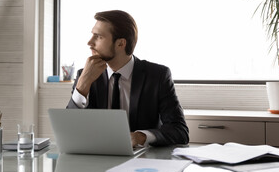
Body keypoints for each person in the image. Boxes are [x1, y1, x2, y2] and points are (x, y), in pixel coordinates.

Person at [66, 10, 189, 147]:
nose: (90, 42)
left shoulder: (158, 76)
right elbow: (68, 132)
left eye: (98, 37)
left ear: (120, 44)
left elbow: (180, 131)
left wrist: (141, 136)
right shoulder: (85, 75)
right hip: (96, 161)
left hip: (143, 163)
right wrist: (82, 85)